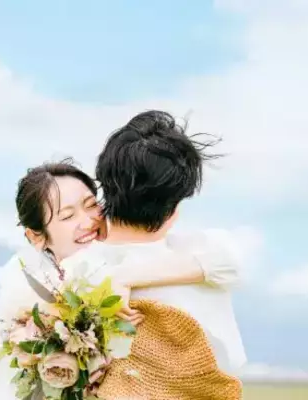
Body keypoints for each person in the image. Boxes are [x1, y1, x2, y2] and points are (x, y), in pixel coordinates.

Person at [0, 158, 241, 400]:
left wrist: (124, 277)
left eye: (91, 205)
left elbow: (226, 261)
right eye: (68, 216)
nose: (88, 221)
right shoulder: (29, 307)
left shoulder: (126, 255)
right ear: (36, 236)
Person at [63, 110, 246, 399]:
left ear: (105, 189)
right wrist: (124, 277)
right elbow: (231, 262)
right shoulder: (204, 250)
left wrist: (123, 276)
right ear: (174, 206)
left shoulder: (76, 270)